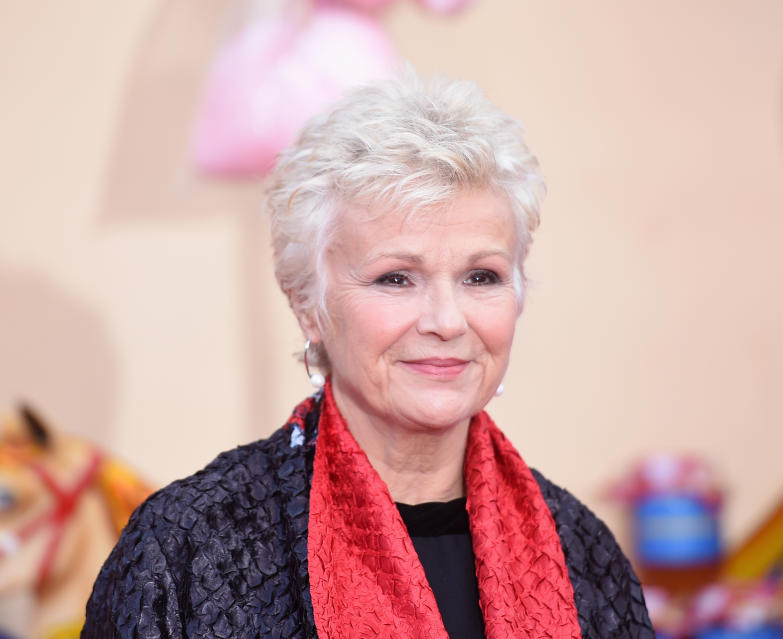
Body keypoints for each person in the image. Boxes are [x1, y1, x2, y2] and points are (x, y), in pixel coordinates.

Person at [81, 71, 655, 639]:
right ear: (309, 305)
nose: (447, 321)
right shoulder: (185, 548)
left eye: (482, 276)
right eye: (396, 278)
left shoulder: (583, 554)